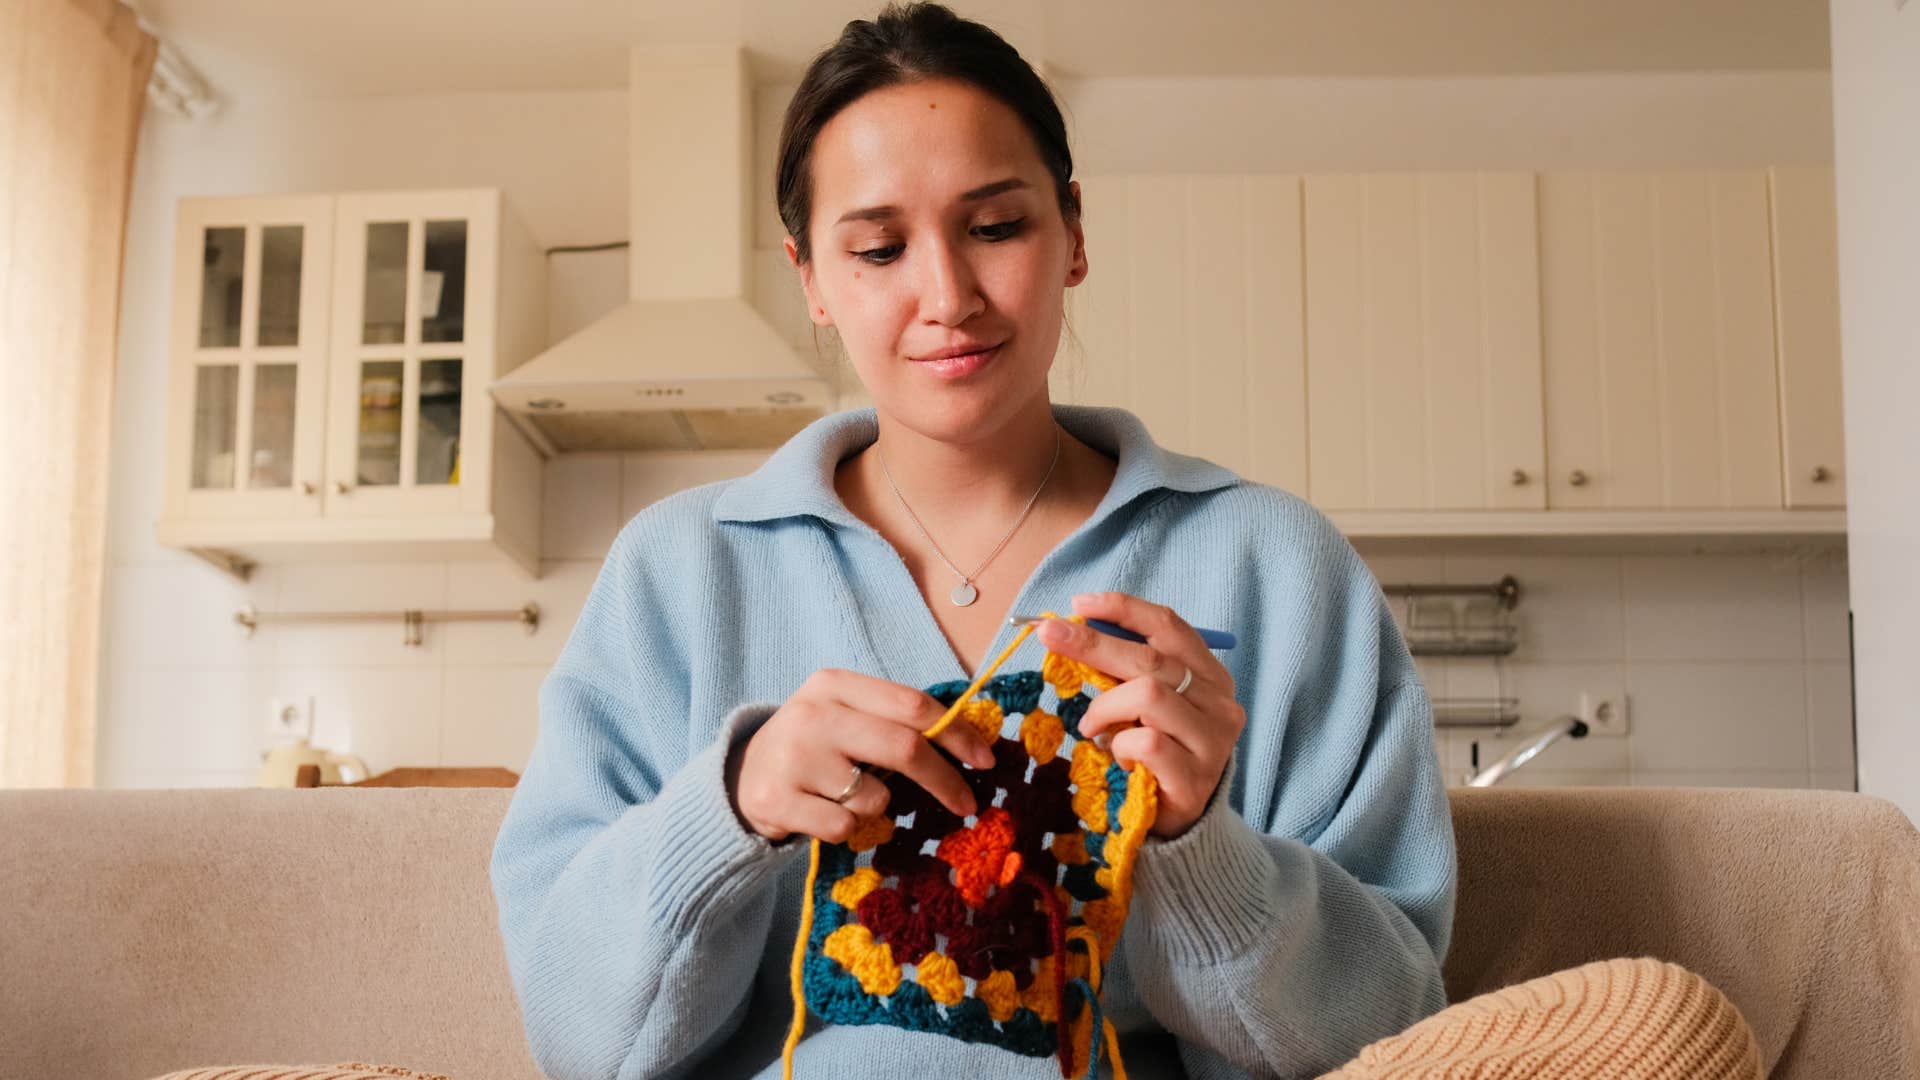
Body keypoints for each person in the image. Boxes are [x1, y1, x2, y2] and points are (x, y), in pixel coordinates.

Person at [488, 4, 1454, 1077]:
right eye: (878, 248)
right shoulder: (674, 574)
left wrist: (1198, 850)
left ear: (1074, 232)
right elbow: (572, 1040)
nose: (946, 297)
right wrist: (731, 808)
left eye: (995, 228)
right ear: (810, 276)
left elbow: (1401, 1029)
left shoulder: (1277, 567)